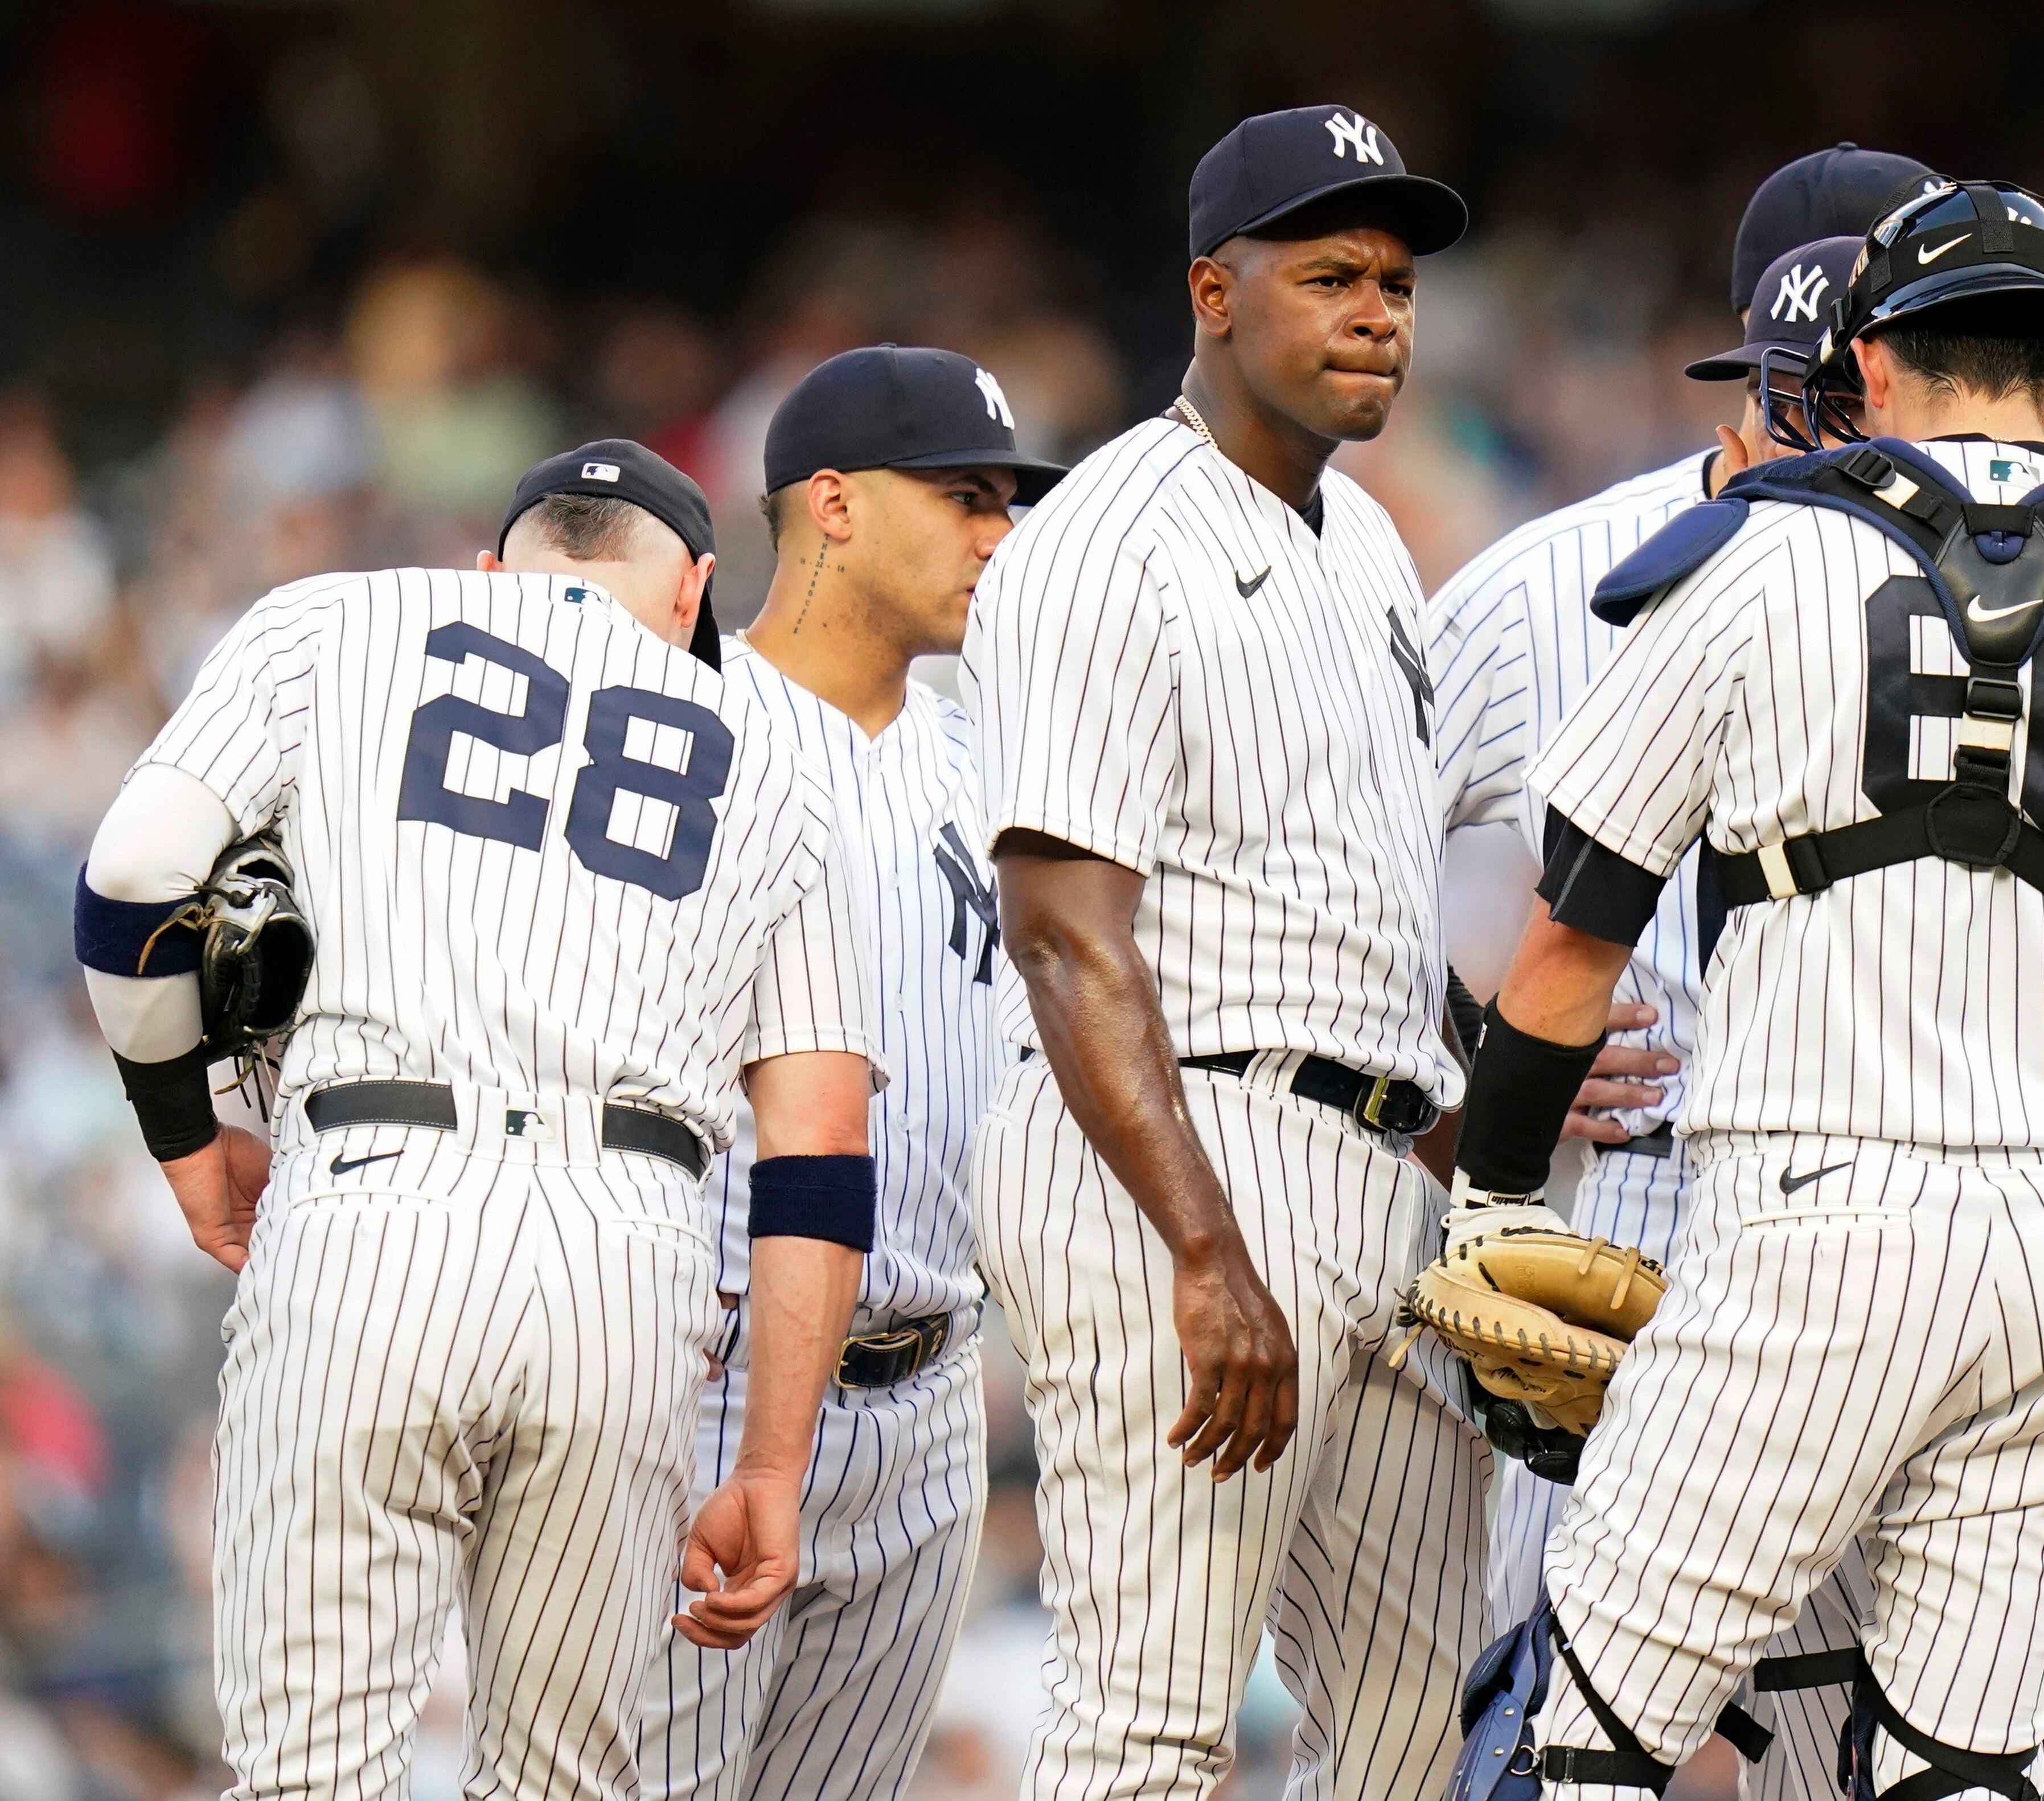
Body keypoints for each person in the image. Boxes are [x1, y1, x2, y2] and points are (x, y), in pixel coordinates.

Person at [1446, 181, 2044, 1797]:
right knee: (1963, 1771)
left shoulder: (1762, 557)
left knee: (1569, 1737)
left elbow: (1568, 939)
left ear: (1870, 359)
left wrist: (1491, 1189)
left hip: (1819, 1232)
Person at [72, 440, 880, 1800]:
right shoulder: (786, 755)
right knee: (564, 1783)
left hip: (373, 1200)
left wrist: (187, 1139)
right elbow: (817, 1152)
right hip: (631, 1255)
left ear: (497, 568)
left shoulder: (338, 619)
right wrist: (773, 1463)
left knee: (312, 1772)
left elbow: (130, 881)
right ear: (691, 592)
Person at [962, 105, 1485, 1800]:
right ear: (1212, 290)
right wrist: (1202, 1245)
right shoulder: (1107, 538)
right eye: (1329, 272)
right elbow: (1062, 930)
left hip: (1379, 1163)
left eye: (1395, 281)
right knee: (1156, 1721)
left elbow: (1370, 907)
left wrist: (1494, 1170)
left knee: (1417, 1731)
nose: (1376, 312)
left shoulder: (1378, 546)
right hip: (1189, 1148)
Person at [1428, 150, 1931, 1801]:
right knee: (1555, 1731)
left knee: (1872, 1745)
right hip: (1633, 1209)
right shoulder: (1546, 584)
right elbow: (1339, 869)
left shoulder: (2023, 592)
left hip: (1910, 1221)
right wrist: (1475, 1054)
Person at [635, 347, 1062, 1801]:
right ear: (829, 503)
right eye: (961, 497)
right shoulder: (680, 735)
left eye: (1005, 502)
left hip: (933, 1395)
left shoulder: (995, 758)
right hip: (703, 1386)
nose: (996, 535)